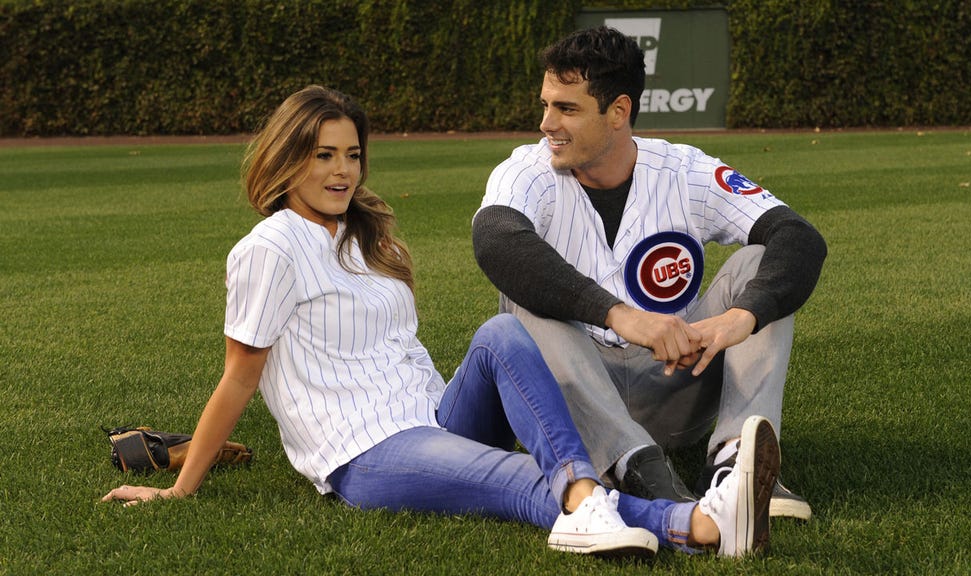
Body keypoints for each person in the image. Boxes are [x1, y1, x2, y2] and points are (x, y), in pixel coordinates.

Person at [102, 85, 783, 558]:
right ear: (287, 160)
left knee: (502, 332)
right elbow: (239, 377)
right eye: (323, 155)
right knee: (517, 480)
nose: (342, 172)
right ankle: (695, 523)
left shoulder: (360, 238)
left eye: (352, 154)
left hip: (433, 417)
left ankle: (589, 485)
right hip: (366, 453)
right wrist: (180, 489)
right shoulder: (269, 249)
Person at [472, 27, 827, 520]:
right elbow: (495, 240)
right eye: (546, 104)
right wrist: (620, 315)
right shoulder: (526, 170)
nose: (546, 123)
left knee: (757, 263)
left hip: (675, 381)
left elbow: (798, 236)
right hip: (574, 393)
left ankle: (734, 463)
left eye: (567, 109)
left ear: (618, 111)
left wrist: (742, 317)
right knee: (523, 296)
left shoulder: (684, 170)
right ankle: (634, 464)